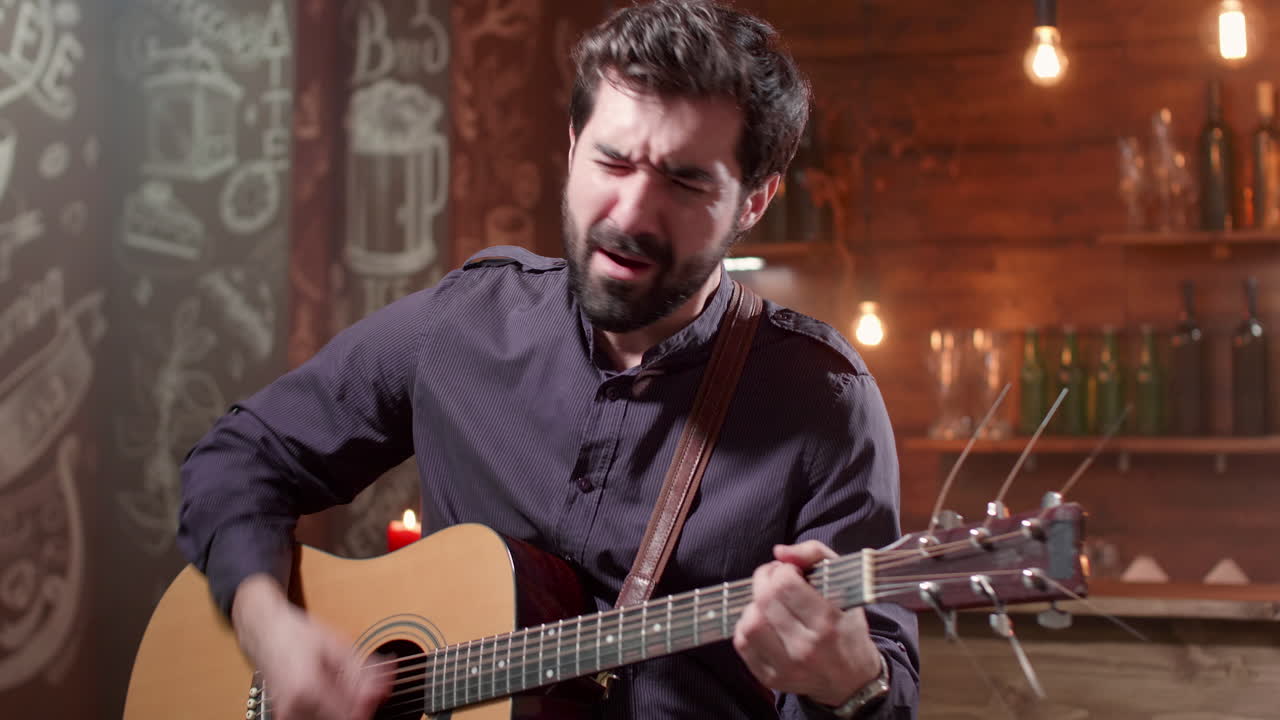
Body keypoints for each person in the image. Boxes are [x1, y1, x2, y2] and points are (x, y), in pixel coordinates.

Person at [177, 1, 920, 718]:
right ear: (571, 147)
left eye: (685, 180)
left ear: (754, 201)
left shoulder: (824, 401)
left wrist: (850, 685)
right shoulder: (464, 324)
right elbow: (240, 457)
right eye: (612, 161)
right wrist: (268, 627)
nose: (630, 214)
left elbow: (882, 692)